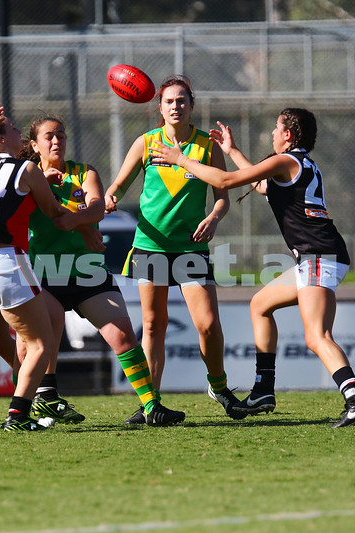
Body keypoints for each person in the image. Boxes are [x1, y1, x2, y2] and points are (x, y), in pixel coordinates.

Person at [150, 107, 355, 428]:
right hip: (318, 255)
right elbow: (262, 185)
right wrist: (233, 151)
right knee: (260, 304)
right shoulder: (298, 163)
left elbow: (227, 181)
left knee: (316, 336)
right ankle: (263, 390)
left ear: (287, 135)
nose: (272, 133)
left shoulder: (286, 161)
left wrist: (183, 160)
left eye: (276, 128)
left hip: (318, 255)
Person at [24, 116, 185, 426]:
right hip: (45, 272)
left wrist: (76, 221)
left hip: (87, 272)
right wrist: (81, 221)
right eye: (48, 136)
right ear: (34, 145)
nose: (56, 140)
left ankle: (152, 407)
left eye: (61, 134)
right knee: (36, 342)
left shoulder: (84, 172)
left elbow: (98, 206)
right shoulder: (29, 178)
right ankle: (37, 402)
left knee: (123, 336)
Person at [105, 75, 245, 422]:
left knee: (208, 324)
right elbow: (119, 185)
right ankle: (151, 403)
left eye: (181, 100)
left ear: (191, 105)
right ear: (160, 107)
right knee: (153, 325)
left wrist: (214, 217)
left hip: (190, 249)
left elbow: (223, 198)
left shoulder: (206, 146)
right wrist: (108, 197)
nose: (175, 106)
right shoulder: (146, 142)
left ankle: (219, 386)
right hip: (150, 246)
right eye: (169, 101)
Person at [0, 117, 70, 431]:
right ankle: (18, 415)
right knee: (40, 345)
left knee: (32, 335)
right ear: (0, 138)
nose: (19, 131)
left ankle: (25, 408)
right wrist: (85, 209)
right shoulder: (26, 169)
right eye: (12, 129)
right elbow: (51, 211)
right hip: (6, 260)